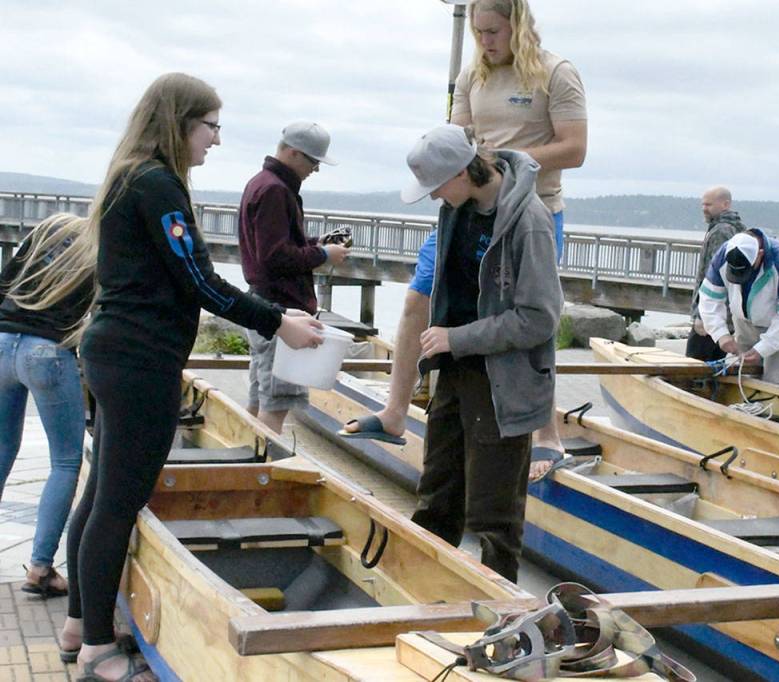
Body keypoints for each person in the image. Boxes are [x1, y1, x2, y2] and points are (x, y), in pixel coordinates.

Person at [52, 73, 324, 682]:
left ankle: (79, 625)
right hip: (140, 363)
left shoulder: (131, 176)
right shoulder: (157, 185)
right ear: (179, 122)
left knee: (100, 497)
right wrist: (279, 322)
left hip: (115, 355)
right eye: (211, 126)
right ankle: (96, 650)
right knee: (117, 504)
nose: (216, 140)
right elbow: (200, 281)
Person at [344, 0, 586, 479]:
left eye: (493, 31)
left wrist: (501, 157)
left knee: (529, 316)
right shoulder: (472, 75)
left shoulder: (556, 73)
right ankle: (394, 412)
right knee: (417, 298)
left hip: (528, 210)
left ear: (517, 23)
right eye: (478, 32)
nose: (485, 41)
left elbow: (575, 149)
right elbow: (456, 138)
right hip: (466, 207)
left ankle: (546, 436)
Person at [401, 123, 562, 582]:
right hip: (455, 375)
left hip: (503, 385)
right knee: (436, 500)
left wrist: (457, 339)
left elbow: (539, 319)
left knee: (494, 520)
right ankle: (423, 594)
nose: (434, 196)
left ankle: (502, 611)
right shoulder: (456, 208)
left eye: (436, 186)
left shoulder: (529, 222)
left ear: (462, 172)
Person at [0, 213, 93, 601]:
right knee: (66, 462)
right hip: (47, 350)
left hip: (2, 340)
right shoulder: (99, 249)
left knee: (2, 447)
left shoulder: (46, 229)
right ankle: (40, 568)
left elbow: (4, 282)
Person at [238, 122, 349, 433]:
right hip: (282, 309)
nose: (316, 169)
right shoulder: (275, 190)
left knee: (260, 398)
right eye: (313, 161)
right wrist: (323, 255)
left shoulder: (262, 183)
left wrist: (315, 244)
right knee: (276, 405)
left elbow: (272, 248)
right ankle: (267, 460)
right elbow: (274, 257)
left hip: (263, 303)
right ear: (293, 153)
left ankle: (247, 452)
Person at [698, 229, 779, 386]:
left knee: (775, 379)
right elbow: (709, 298)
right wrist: (721, 334)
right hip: (743, 320)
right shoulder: (723, 255)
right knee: (745, 375)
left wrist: (763, 349)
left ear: (760, 254)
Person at [686, 186, 746, 361]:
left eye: (709, 205)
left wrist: (701, 315)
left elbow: (714, 276)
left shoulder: (721, 232)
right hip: (726, 314)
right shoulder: (737, 228)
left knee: (693, 364)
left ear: (725, 204)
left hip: (712, 313)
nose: (704, 208)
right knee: (715, 363)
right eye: (703, 204)